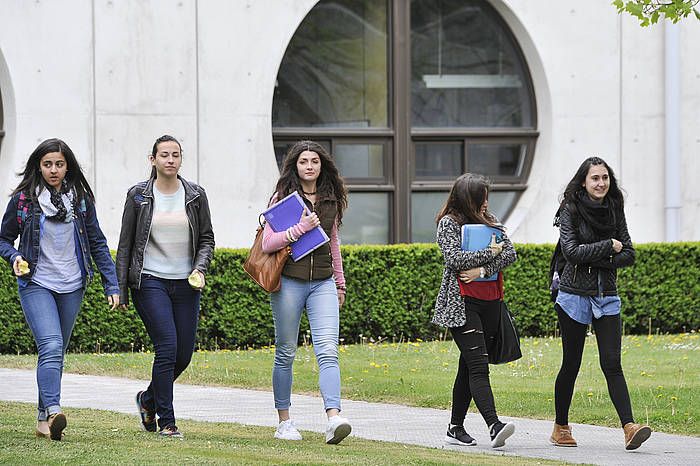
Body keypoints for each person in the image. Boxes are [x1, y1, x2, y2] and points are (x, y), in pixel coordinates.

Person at [0, 138, 120, 440]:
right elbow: (3, 239)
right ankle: (54, 410)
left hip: (72, 285)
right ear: (38, 166)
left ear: (68, 167)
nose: (54, 170)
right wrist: (15, 257)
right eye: (48, 164)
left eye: (59, 164)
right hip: (36, 283)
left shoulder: (79, 200)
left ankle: (44, 420)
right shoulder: (24, 200)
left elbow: (97, 242)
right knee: (51, 345)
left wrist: (111, 283)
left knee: (54, 352)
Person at [116, 135, 214, 438]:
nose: (170, 160)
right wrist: (120, 287)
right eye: (164, 155)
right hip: (150, 281)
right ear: (153, 160)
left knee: (183, 355)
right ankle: (167, 422)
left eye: (175, 155)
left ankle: (147, 399)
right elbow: (126, 245)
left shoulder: (196, 195)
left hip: (186, 283)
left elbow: (207, 238)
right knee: (167, 348)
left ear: (180, 159)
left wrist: (200, 267)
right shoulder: (138, 196)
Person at [550, 156, 651, 450]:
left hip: (607, 295)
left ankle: (630, 427)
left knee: (612, 363)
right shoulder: (570, 209)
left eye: (605, 178)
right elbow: (570, 253)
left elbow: (629, 254)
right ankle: (561, 427)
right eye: (595, 178)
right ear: (584, 181)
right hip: (572, 295)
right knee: (571, 363)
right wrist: (608, 246)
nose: (601, 183)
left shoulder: (614, 208)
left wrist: (596, 255)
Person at [261, 140, 351, 444]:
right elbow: (268, 243)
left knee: (328, 350)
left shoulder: (330, 198)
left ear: (322, 164)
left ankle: (333, 418)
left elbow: (333, 242)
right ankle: (284, 422)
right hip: (289, 282)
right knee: (285, 352)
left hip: (323, 282)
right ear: (295, 166)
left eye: (314, 161)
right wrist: (299, 228)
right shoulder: (283, 197)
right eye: (303, 161)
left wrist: (339, 283)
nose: (309, 166)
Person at [432, 173, 517, 448]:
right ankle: (495, 425)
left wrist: (482, 268)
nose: (486, 202)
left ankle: (455, 427)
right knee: (479, 366)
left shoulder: (489, 219)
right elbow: (454, 258)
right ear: (469, 199)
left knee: (468, 365)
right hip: (462, 304)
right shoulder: (449, 223)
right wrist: (491, 253)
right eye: (482, 197)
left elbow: (510, 253)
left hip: (491, 301)